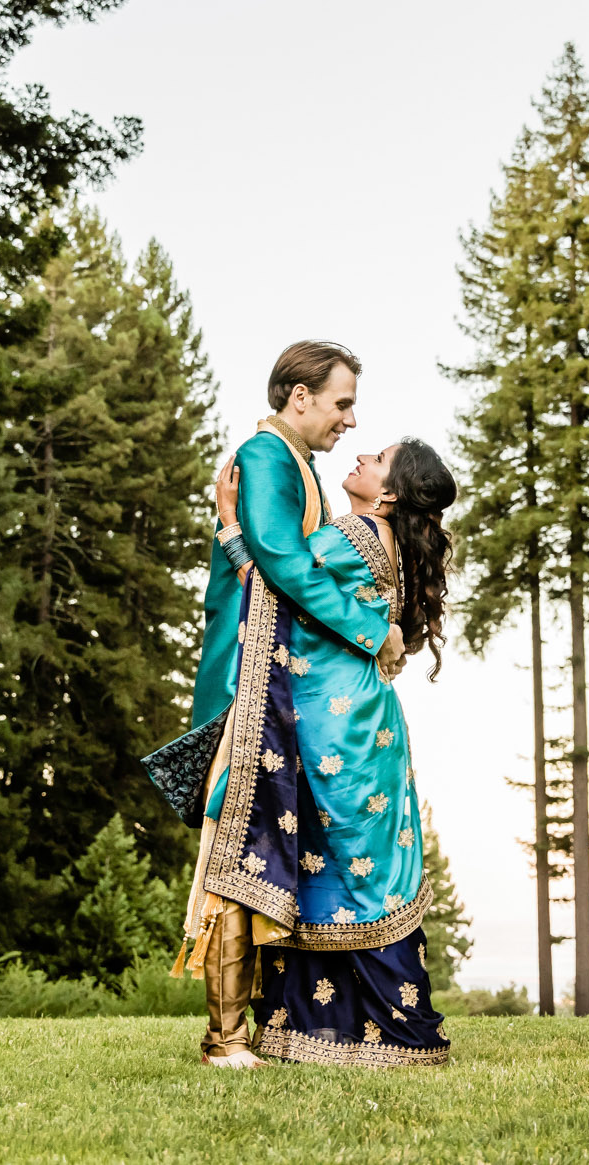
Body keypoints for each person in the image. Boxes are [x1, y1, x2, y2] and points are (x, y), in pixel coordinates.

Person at [170, 340, 404, 1068]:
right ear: (298, 396)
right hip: (251, 680)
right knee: (238, 848)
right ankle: (225, 1039)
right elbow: (288, 563)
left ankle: (251, 1031)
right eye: (341, 403)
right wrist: (375, 630)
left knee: (261, 849)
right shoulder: (267, 457)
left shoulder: (298, 466)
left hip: (280, 685)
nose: (351, 421)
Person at [213, 434, 458, 1067]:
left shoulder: (355, 532)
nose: (362, 456)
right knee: (361, 867)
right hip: (365, 724)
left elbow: (280, 577)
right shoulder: (393, 546)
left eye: (377, 460)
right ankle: (352, 1029)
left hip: (334, 725)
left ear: (392, 492)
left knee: (343, 870)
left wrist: (232, 527)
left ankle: (374, 1032)